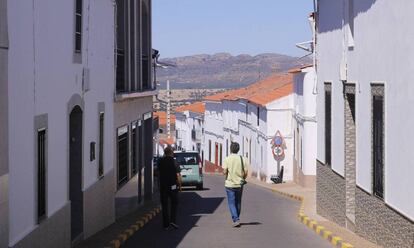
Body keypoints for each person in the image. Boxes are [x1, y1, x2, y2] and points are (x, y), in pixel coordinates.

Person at [223, 142, 249, 227]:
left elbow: (224, 171)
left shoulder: (227, 159)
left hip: (229, 184)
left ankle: (236, 219)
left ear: (230, 149)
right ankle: (237, 217)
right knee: (238, 202)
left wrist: (226, 173)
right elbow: (246, 172)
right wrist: (243, 178)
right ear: (238, 149)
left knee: (231, 203)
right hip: (239, 184)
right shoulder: (243, 159)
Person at [158, 146, 182, 230]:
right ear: (171, 153)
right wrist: (180, 185)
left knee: (164, 205)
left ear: (165, 153)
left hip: (163, 186)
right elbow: (178, 175)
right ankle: (173, 221)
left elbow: (158, 172)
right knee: (174, 203)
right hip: (173, 186)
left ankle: (166, 225)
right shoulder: (175, 162)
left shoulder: (160, 162)